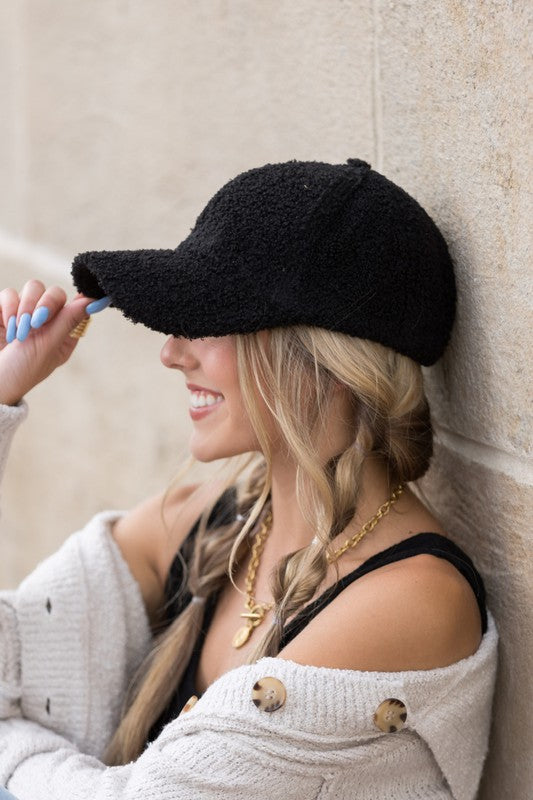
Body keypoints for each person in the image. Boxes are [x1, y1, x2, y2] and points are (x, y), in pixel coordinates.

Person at [0, 158, 497, 799]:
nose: (172, 352)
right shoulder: (208, 523)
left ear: (321, 354)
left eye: (208, 318)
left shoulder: (412, 599)